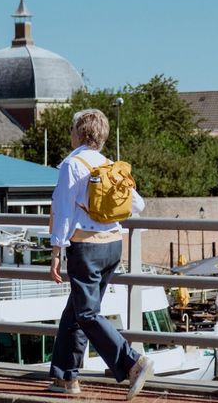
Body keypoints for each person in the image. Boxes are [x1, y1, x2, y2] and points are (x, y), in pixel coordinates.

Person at [47, 109, 153, 399]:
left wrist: (57, 250)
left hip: (87, 247)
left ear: (80, 133)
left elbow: (64, 210)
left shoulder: (72, 164)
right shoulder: (110, 165)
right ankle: (65, 376)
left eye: (71, 128)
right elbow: (138, 205)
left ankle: (132, 362)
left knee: (86, 312)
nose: (70, 133)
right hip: (113, 245)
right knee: (78, 311)